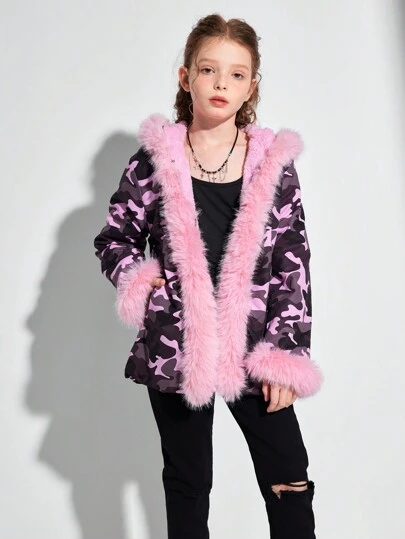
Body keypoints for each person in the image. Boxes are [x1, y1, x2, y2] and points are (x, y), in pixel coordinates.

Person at [93, 13, 324, 539]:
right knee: (188, 481)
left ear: (251, 86)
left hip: (253, 344)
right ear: (186, 77)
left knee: (288, 477)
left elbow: (294, 261)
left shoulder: (273, 164)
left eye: (237, 74)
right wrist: (141, 282)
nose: (222, 83)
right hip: (178, 344)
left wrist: (284, 356)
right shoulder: (153, 162)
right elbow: (115, 238)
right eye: (208, 70)